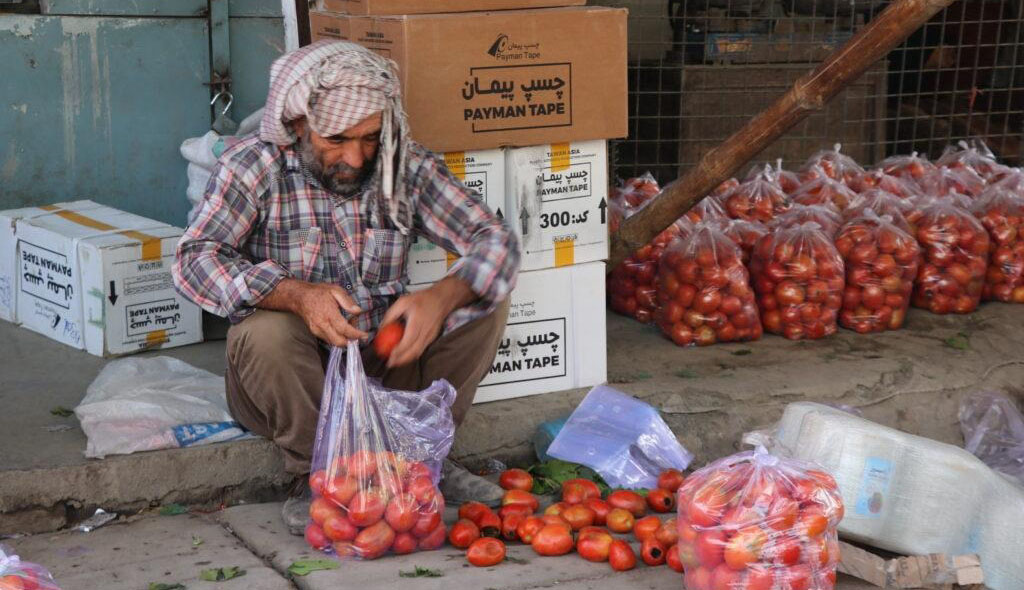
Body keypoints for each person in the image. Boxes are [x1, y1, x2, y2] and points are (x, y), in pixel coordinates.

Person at [172, 40, 520, 533]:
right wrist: (293, 293)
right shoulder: (253, 167)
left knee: (485, 294)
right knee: (265, 331)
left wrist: (442, 297)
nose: (355, 158)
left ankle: (418, 462)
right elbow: (192, 260)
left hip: (383, 361)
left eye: (370, 138)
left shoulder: (403, 166)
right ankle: (320, 474)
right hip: (297, 374)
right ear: (297, 126)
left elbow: (496, 241)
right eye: (337, 139)